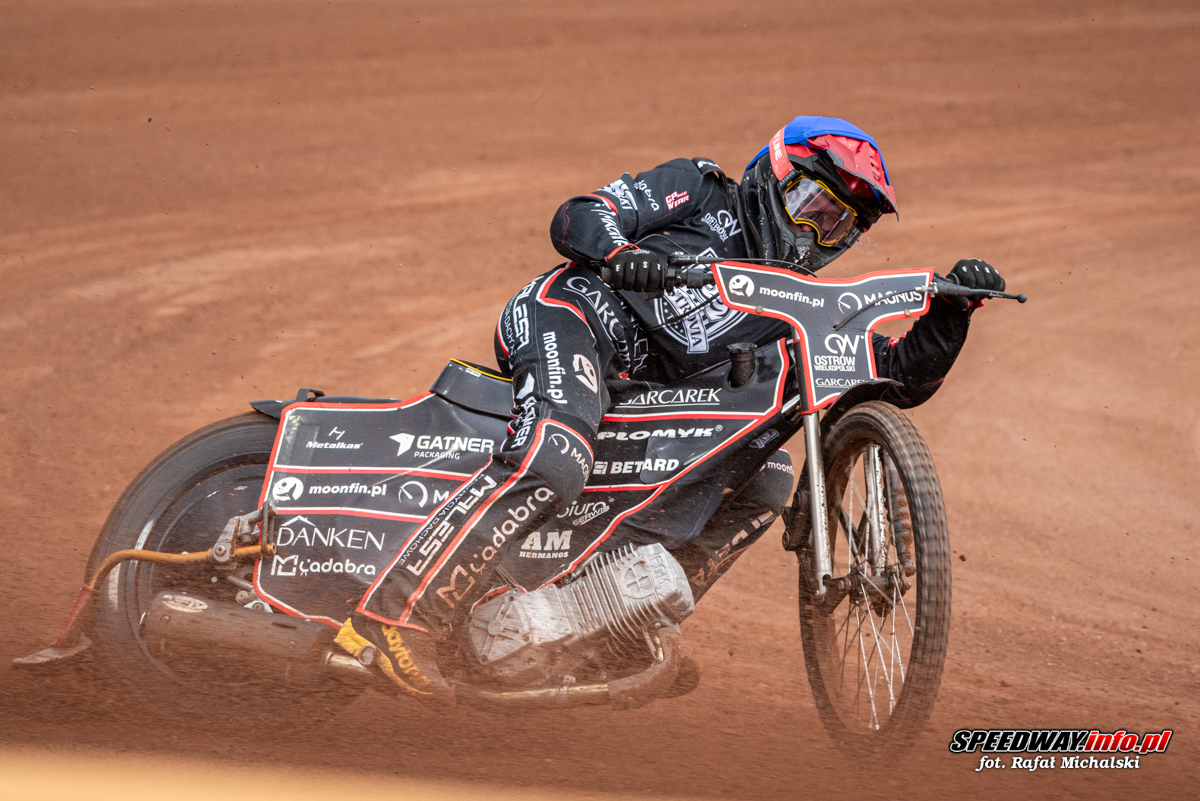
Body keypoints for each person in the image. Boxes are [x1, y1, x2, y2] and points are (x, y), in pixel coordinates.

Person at [336, 115, 1006, 705]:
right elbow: (578, 214)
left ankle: (606, 627)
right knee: (556, 455)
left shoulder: (796, 308)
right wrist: (621, 255)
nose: (815, 234)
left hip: (641, 396)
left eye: (839, 225)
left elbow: (894, 376)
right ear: (773, 175)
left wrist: (952, 315)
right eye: (810, 205)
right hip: (571, 319)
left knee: (768, 478)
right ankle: (388, 618)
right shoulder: (702, 190)